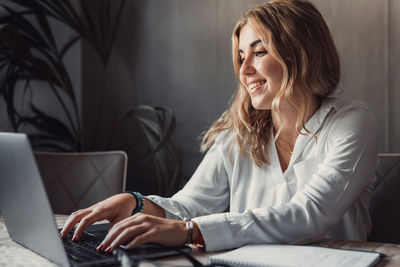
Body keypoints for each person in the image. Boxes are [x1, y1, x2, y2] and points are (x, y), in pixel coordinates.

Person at [60, 0, 378, 253]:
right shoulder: (238, 134)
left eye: (259, 51)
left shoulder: (352, 124)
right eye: (241, 57)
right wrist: (137, 202)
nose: (245, 70)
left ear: (301, 54)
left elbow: (309, 215)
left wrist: (191, 231)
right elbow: (189, 205)